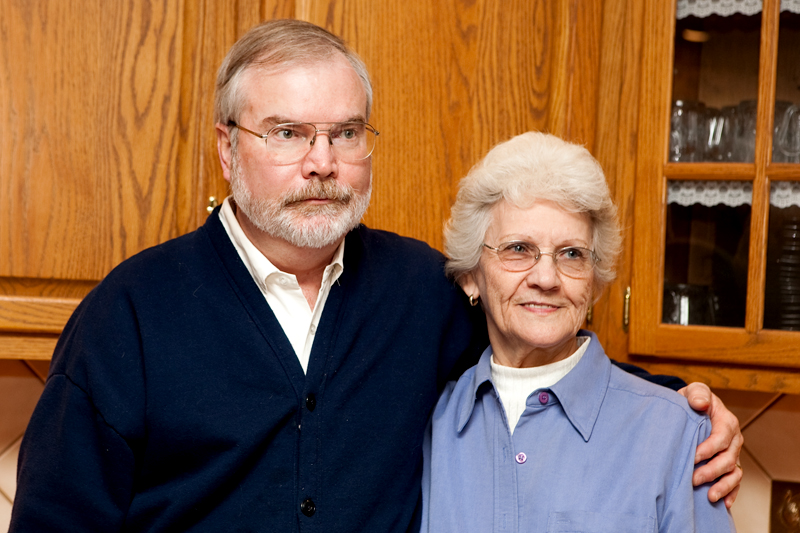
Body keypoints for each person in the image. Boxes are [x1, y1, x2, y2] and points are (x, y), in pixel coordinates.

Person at [11, 20, 741, 532]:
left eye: (346, 133)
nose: (322, 161)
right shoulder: (128, 316)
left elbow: (534, 343)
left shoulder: (420, 291)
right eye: (289, 133)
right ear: (227, 150)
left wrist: (683, 411)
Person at [421, 131, 736, 532]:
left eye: (572, 254)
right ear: (470, 276)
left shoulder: (678, 434)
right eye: (518, 248)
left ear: (594, 282)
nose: (547, 277)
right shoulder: (433, 425)